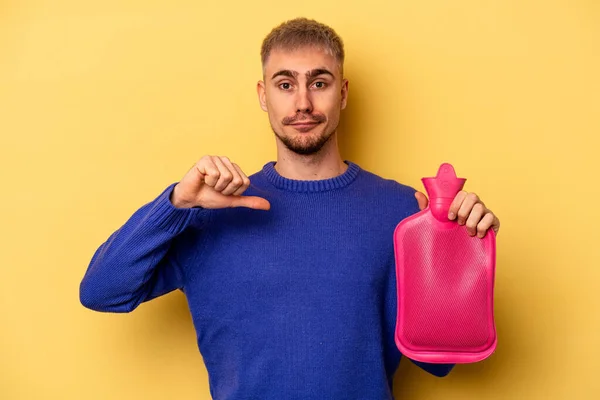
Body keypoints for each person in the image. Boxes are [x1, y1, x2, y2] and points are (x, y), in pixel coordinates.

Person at [79, 17, 500, 400]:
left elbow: (438, 361)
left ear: (343, 92)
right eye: (285, 84)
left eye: (319, 83)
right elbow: (101, 292)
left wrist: (457, 248)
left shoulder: (401, 211)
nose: (302, 103)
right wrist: (175, 205)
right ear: (264, 96)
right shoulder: (212, 210)